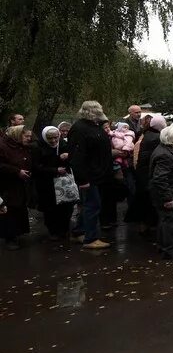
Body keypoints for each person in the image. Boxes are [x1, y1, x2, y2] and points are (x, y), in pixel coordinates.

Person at [69, 101, 114, 250]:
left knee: (90, 205)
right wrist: (82, 179)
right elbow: (77, 156)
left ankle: (79, 231)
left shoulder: (93, 126)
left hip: (97, 174)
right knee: (92, 206)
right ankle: (90, 238)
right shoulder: (80, 129)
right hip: (89, 176)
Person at [150, 124, 173, 260]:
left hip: (172, 191)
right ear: (172, 139)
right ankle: (169, 249)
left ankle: (165, 246)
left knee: (166, 220)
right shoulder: (164, 155)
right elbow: (160, 178)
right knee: (169, 221)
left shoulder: (168, 149)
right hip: (170, 193)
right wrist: (167, 198)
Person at [31, 126, 74, 241]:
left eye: (56, 137)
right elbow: (36, 167)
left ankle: (64, 229)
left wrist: (68, 156)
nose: (54, 141)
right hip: (46, 183)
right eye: (50, 138)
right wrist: (54, 170)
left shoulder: (63, 144)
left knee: (66, 206)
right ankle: (53, 231)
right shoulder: (38, 148)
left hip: (63, 181)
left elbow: (73, 159)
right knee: (50, 209)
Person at [125, 114, 165, 234]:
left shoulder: (146, 135)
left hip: (142, 173)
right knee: (149, 201)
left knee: (143, 200)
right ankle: (149, 226)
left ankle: (145, 225)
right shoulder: (157, 137)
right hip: (149, 174)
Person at [0, 125, 33, 250]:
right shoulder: (3, 146)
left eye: (30, 136)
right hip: (8, 184)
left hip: (21, 183)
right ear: (17, 135)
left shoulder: (21, 146)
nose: (28, 139)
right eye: (25, 136)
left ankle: (17, 233)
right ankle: (10, 237)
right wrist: (17, 171)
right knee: (10, 210)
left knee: (19, 208)